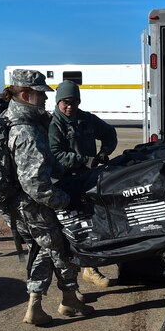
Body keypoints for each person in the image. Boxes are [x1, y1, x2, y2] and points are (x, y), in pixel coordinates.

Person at [2, 69, 94, 325]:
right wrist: (64, 200)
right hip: (32, 205)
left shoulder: (15, 119)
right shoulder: (25, 132)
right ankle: (67, 299)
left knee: (44, 249)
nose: (45, 98)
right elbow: (35, 185)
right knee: (62, 247)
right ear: (24, 94)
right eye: (40, 93)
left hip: (20, 204)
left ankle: (37, 304)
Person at [49, 79, 118, 289]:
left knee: (92, 225)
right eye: (66, 102)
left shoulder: (86, 119)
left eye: (74, 102)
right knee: (69, 232)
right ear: (58, 102)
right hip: (65, 184)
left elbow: (109, 133)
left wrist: (105, 151)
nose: (70, 107)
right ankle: (71, 286)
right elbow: (56, 153)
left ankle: (90, 268)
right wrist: (84, 160)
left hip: (87, 180)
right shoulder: (54, 125)